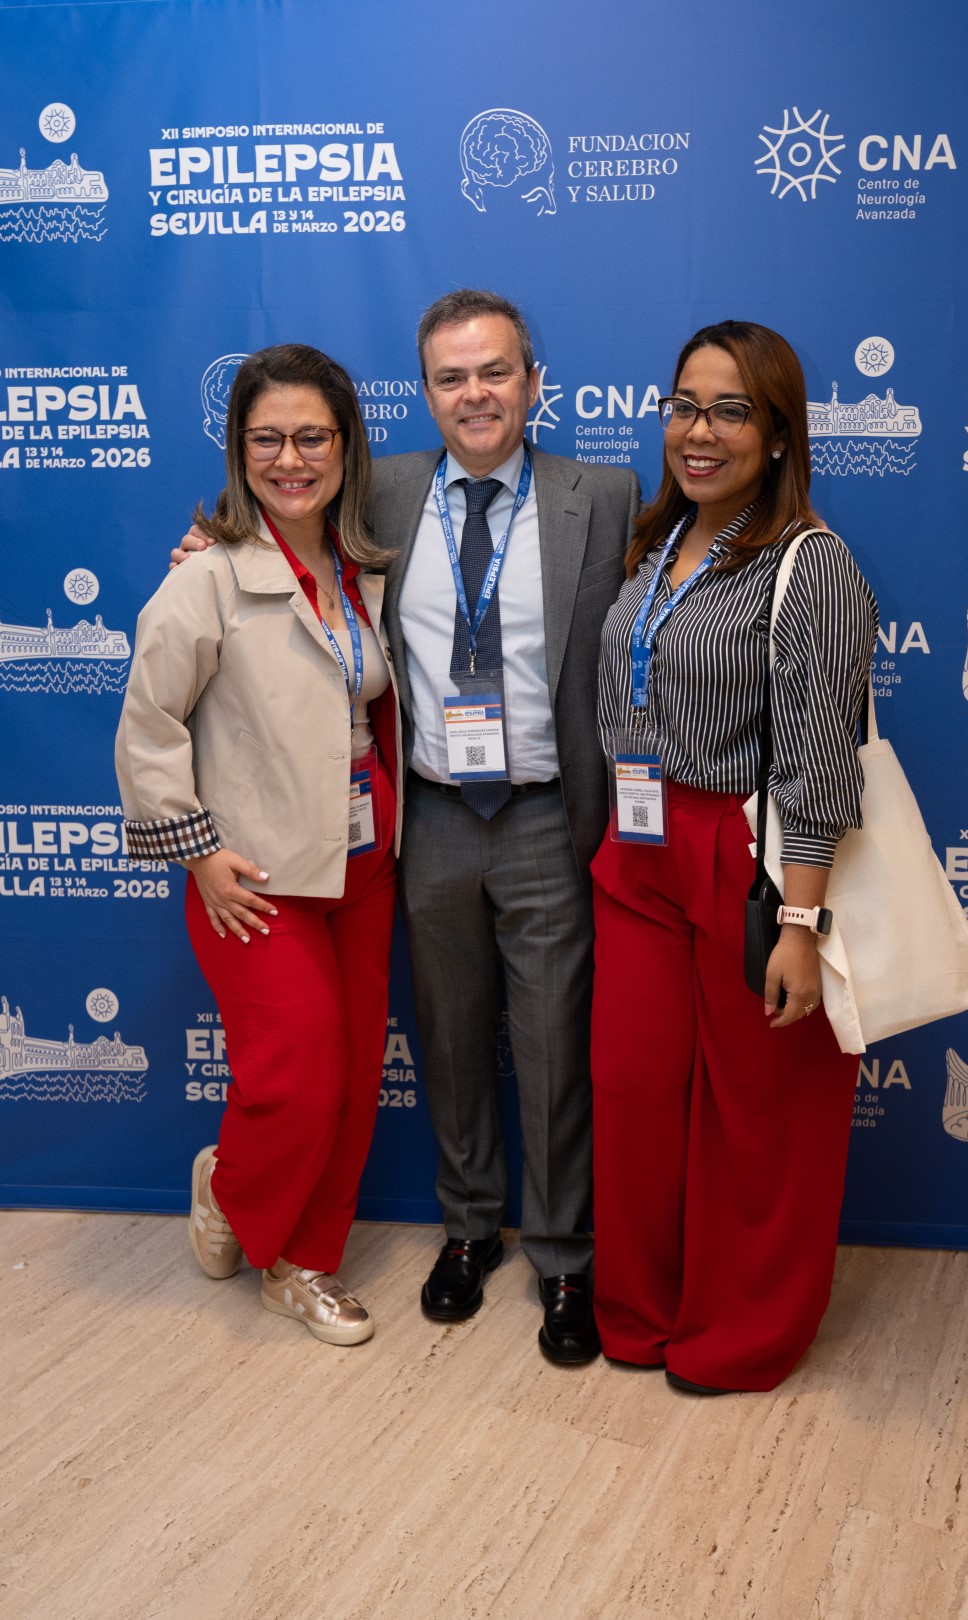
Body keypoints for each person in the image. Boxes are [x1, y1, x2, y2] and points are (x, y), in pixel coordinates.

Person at [176, 291, 640, 1365]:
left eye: (494, 372)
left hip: (546, 817)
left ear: (533, 382)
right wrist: (201, 545)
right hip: (424, 819)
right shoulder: (377, 488)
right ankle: (469, 1230)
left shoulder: (604, 497)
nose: (474, 395)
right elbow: (264, 521)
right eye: (450, 377)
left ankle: (563, 1257)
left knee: (554, 1049)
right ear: (424, 393)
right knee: (449, 1039)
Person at [591, 320, 878, 1394]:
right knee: (632, 1092)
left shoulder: (811, 564)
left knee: (762, 1110)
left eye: (730, 411)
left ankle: (745, 1330)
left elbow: (818, 758)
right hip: (636, 850)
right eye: (684, 406)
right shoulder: (655, 542)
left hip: (747, 855)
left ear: (779, 432)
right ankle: (642, 1309)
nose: (699, 432)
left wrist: (800, 925)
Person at [117, 344, 402, 1346]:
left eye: (311, 437)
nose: (290, 459)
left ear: (345, 445)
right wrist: (198, 851)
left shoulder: (365, 568)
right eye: (266, 438)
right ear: (238, 450)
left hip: (365, 863)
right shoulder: (206, 577)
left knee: (354, 1079)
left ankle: (300, 1264)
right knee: (296, 1077)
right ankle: (231, 1185)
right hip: (254, 872)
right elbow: (149, 724)